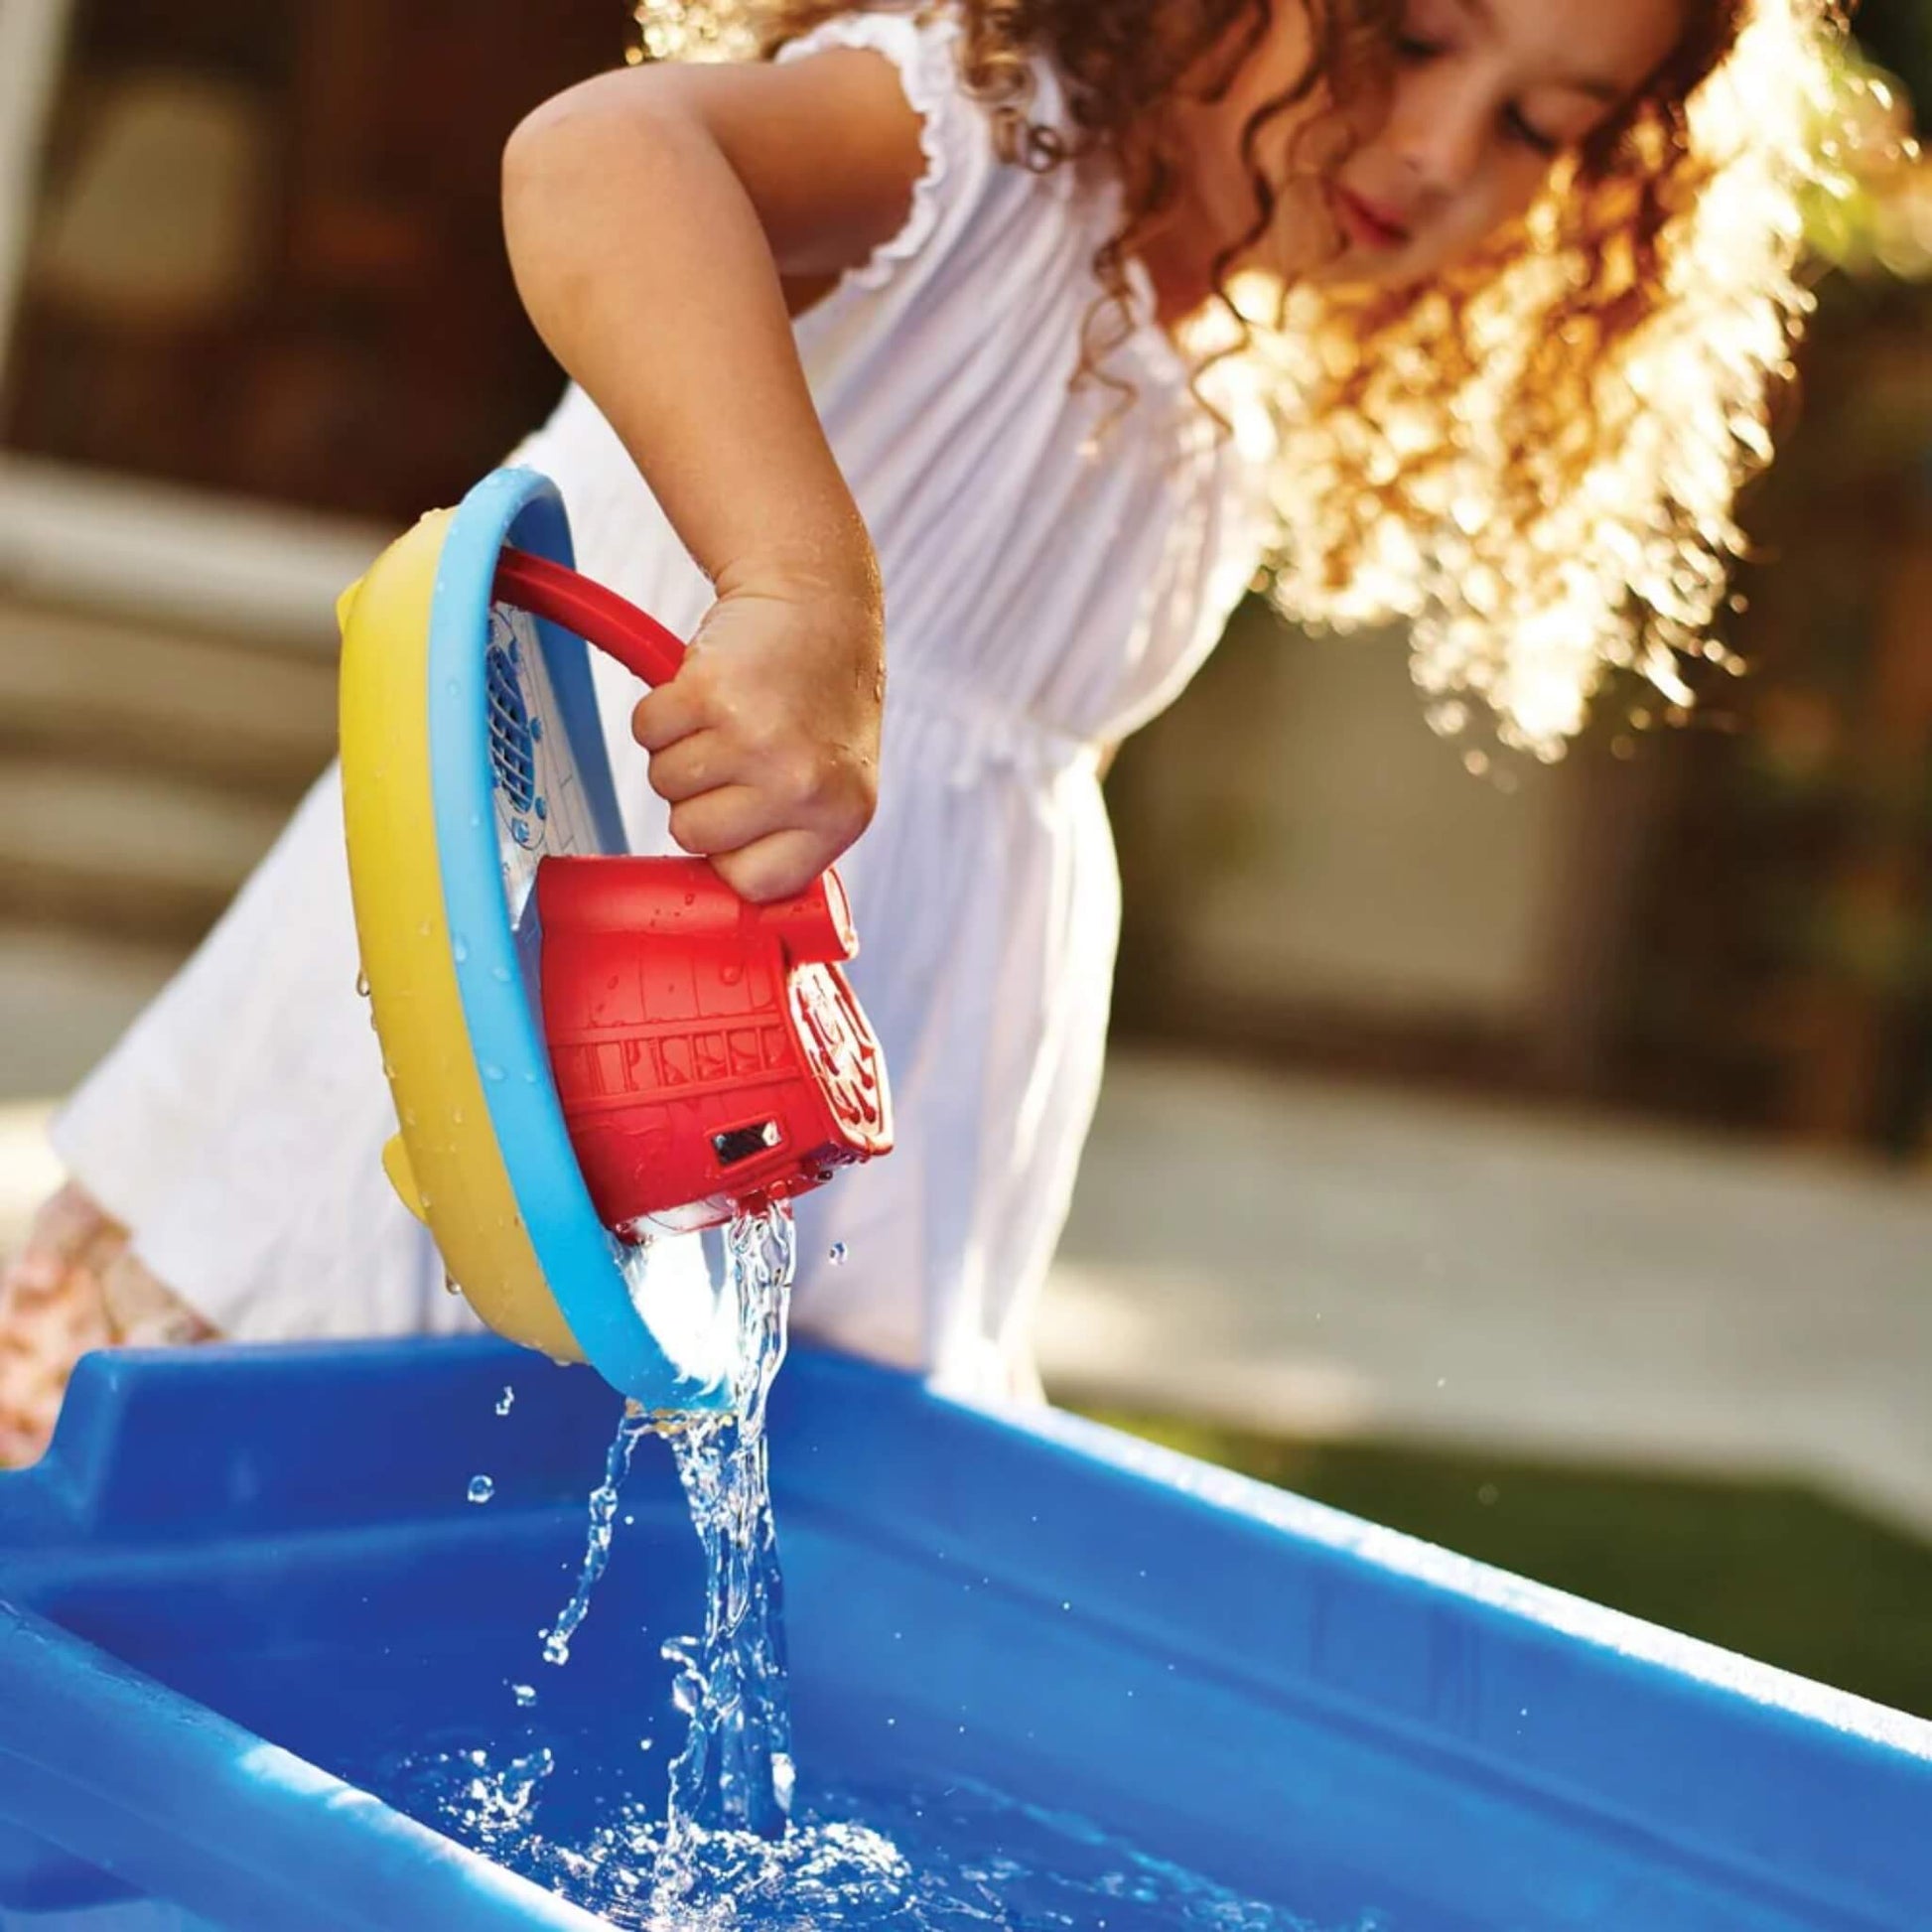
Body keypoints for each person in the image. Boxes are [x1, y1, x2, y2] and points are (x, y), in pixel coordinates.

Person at [0, 0, 1846, 1463]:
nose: (1441, 149)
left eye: (1542, 123)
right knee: (228, 1597)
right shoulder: (972, 142)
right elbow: (604, 156)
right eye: (1413, 38)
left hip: (800, 1203)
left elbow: (978, 829)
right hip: (498, 1045)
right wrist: (803, 588)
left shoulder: (1211, 397)